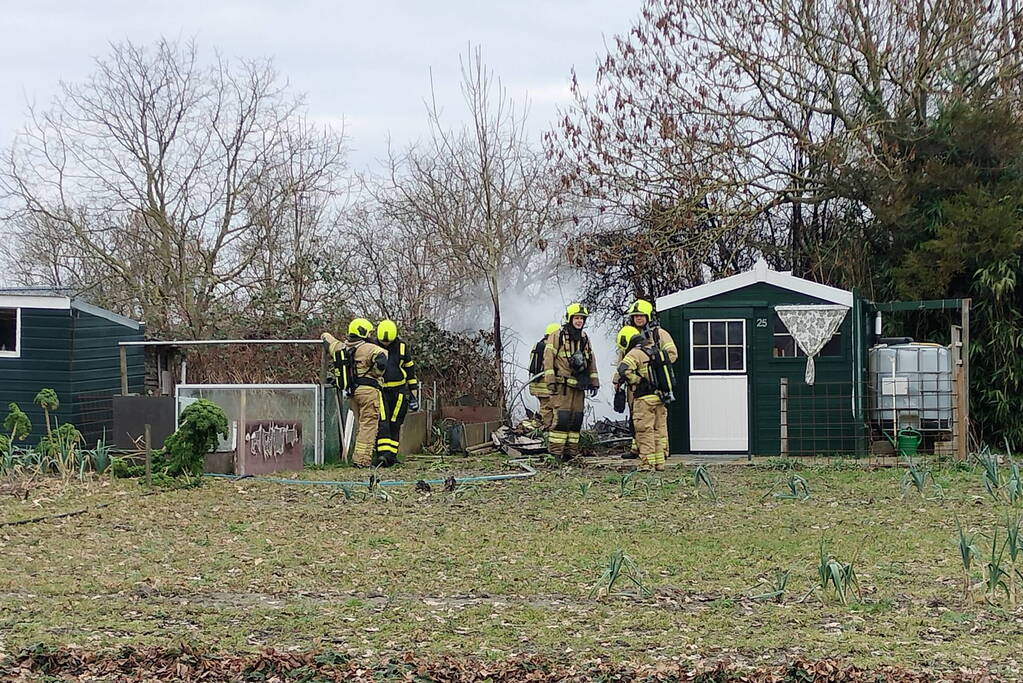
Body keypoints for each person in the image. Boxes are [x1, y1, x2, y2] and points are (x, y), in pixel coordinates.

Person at [321, 319, 387, 467]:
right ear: (364, 333)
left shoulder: (340, 347)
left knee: (360, 425)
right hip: (369, 392)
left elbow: (326, 339)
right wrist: (377, 372)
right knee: (368, 425)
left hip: (352, 392)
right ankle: (361, 461)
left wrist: (325, 335)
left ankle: (358, 456)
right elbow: (382, 361)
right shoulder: (371, 349)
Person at [543, 303, 599, 460]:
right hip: (563, 386)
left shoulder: (585, 338)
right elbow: (548, 359)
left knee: (576, 420)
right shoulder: (557, 335)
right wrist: (551, 381)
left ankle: (571, 453)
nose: (579, 321)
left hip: (579, 386)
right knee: (562, 419)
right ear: (570, 318)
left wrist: (594, 382)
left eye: (582, 318)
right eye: (576, 318)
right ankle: (555, 453)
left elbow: (591, 360)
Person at [625, 298, 678, 460]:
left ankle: (662, 451)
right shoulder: (629, 335)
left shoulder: (659, 334)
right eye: (635, 316)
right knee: (638, 417)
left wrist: (653, 366)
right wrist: (617, 380)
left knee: (658, 420)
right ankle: (638, 449)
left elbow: (672, 354)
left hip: (655, 385)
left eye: (641, 315)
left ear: (648, 317)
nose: (638, 318)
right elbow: (623, 359)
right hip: (634, 385)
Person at [614, 325, 668, 471]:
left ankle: (647, 464)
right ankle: (659, 463)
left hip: (643, 399)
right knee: (657, 431)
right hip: (659, 397)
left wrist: (636, 380)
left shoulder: (634, 353)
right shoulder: (653, 349)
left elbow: (623, 370)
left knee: (645, 432)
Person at [374, 319, 419, 466]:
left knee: (395, 423)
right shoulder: (373, 346)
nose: (385, 344)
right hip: (381, 391)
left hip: (399, 391)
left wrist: (414, 394)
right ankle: (382, 455)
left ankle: (392, 456)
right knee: (383, 423)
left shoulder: (402, 347)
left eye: (388, 342)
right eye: (383, 342)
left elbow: (410, 371)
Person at [527, 322, 560, 430]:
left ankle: (544, 428)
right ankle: (546, 431)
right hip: (545, 385)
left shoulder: (538, 345)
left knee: (545, 408)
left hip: (536, 384)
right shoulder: (550, 347)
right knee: (550, 410)